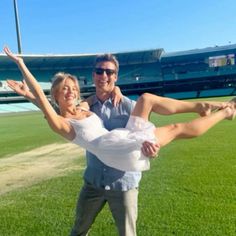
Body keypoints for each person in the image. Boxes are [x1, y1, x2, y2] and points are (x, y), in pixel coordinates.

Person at [4, 46, 236, 235]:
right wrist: (22, 66)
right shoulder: (62, 123)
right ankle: (225, 112)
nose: (71, 92)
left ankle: (203, 106)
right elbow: (48, 108)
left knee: (146, 99)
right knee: (176, 129)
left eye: (73, 88)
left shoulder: (84, 107)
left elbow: (76, 101)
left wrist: (115, 91)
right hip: (117, 151)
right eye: (64, 89)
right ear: (54, 95)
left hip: (120, 143)